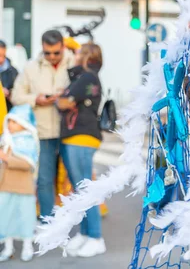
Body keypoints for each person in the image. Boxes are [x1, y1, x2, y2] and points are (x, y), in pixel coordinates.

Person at [11, 30, 75, 219]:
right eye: (48, 53)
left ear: (63, 47)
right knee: (45, 179)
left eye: (56, 53)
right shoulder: (31, 67)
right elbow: (16, 96)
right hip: (43, 132)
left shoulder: (76, 63)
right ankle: (49, 222)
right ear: (42, 48)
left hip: (70, 131)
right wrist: (36, 99)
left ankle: (80, 226)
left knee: (77, 179)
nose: (52, 57)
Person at [56, 43, 105, 258]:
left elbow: (65, 102)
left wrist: (61, 99)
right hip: (78, 137)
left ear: (85, 55)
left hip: (81, 137)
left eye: (77, 52)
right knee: (80, 189)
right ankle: (86, 234)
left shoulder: (86, 77)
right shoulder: (87, 77)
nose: (74, 55)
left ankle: (95, 237)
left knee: (85, 190)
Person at [0, 105, 40, 262]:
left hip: (23, 187)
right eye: (9, 122)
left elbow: (28, 164)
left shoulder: (29, 141)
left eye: (14, 122)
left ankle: (27, 246)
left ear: (24, 123)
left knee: (25, 216)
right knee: (5, 216)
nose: (10, 125)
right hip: (5, 185)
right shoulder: (5, 139)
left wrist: (6, 157)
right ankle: (8, 247)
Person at [0, 40, 19, 112]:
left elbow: (18, 91)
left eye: (3, 56)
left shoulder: (13, 72)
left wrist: (9, 93)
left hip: (7, 111)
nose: (1, 59)